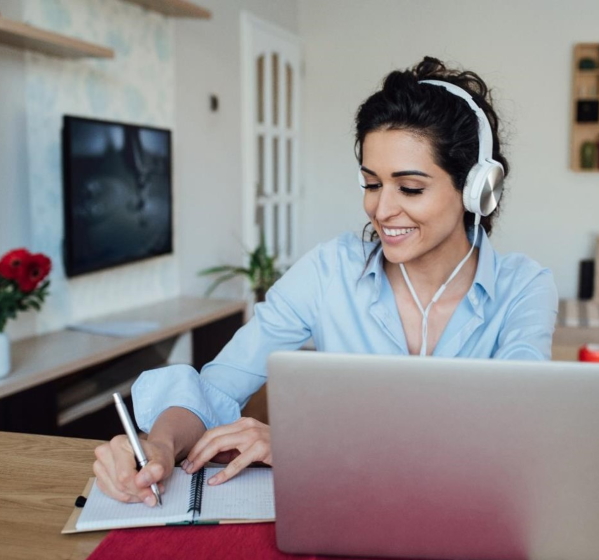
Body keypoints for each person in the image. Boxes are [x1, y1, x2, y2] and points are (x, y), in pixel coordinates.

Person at [93, 56, 559, 506]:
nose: (382, 209)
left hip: (464, 513)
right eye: (372, 183)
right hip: (346, 513)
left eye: (411, 188)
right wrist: (159, 445)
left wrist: (306, 446)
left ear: (478, 189)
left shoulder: (524, 289)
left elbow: (514, 433)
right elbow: (219, 384)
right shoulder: (329, 271)